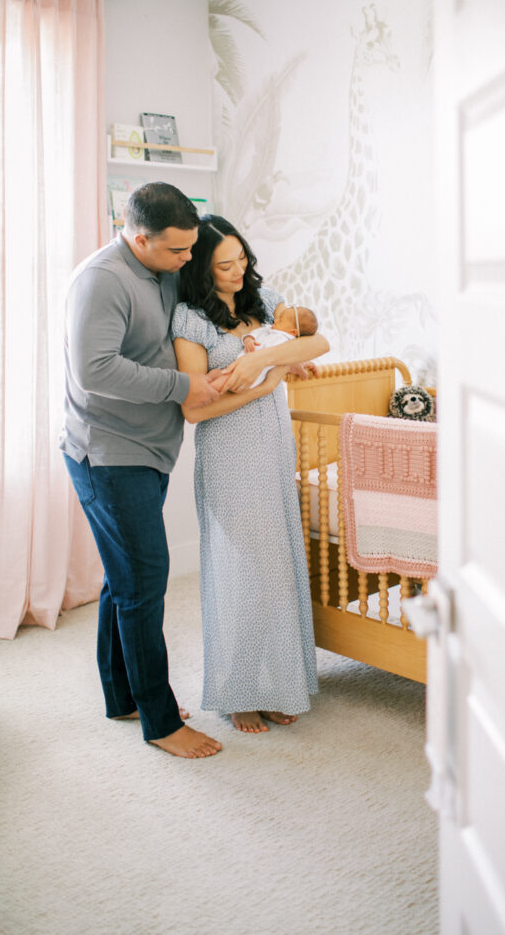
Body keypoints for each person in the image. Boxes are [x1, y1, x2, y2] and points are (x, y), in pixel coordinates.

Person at [61, 182, 224, 760]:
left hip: (150, 448)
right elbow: (94, 370)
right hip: (109, 452)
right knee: (145, 582)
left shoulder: (168, 265)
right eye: (177, 252)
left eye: (191, 248)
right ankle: (159, 720)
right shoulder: (102, 281)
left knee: (123, 579)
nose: (188, 260)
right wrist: (184, 386)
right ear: (138, 238)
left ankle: (121, 696)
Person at [172, 214, 330, 734]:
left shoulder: (267, 301)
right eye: (224, 265)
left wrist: (273, 361)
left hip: (271, 446)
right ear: (201, 267)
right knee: (241, 573)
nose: (238, 271)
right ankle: (238, 692)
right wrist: (266, 383)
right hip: (228, 453)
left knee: (277, 571)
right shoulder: (191, 320)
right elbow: (194, 411)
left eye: (242, 259)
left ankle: (278, 684)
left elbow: (317, 342)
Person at [221, 304, 319, 388]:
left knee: (224, 381)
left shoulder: (285, 341)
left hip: (250, 375)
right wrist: (249, 339)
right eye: (278, 318)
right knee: (219, 374)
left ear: (293, 332)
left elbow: (289, 355)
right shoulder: (269, 330)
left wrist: (301, 362)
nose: (275, 320)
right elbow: (255, 333)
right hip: (239, 362)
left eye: (280, 321)